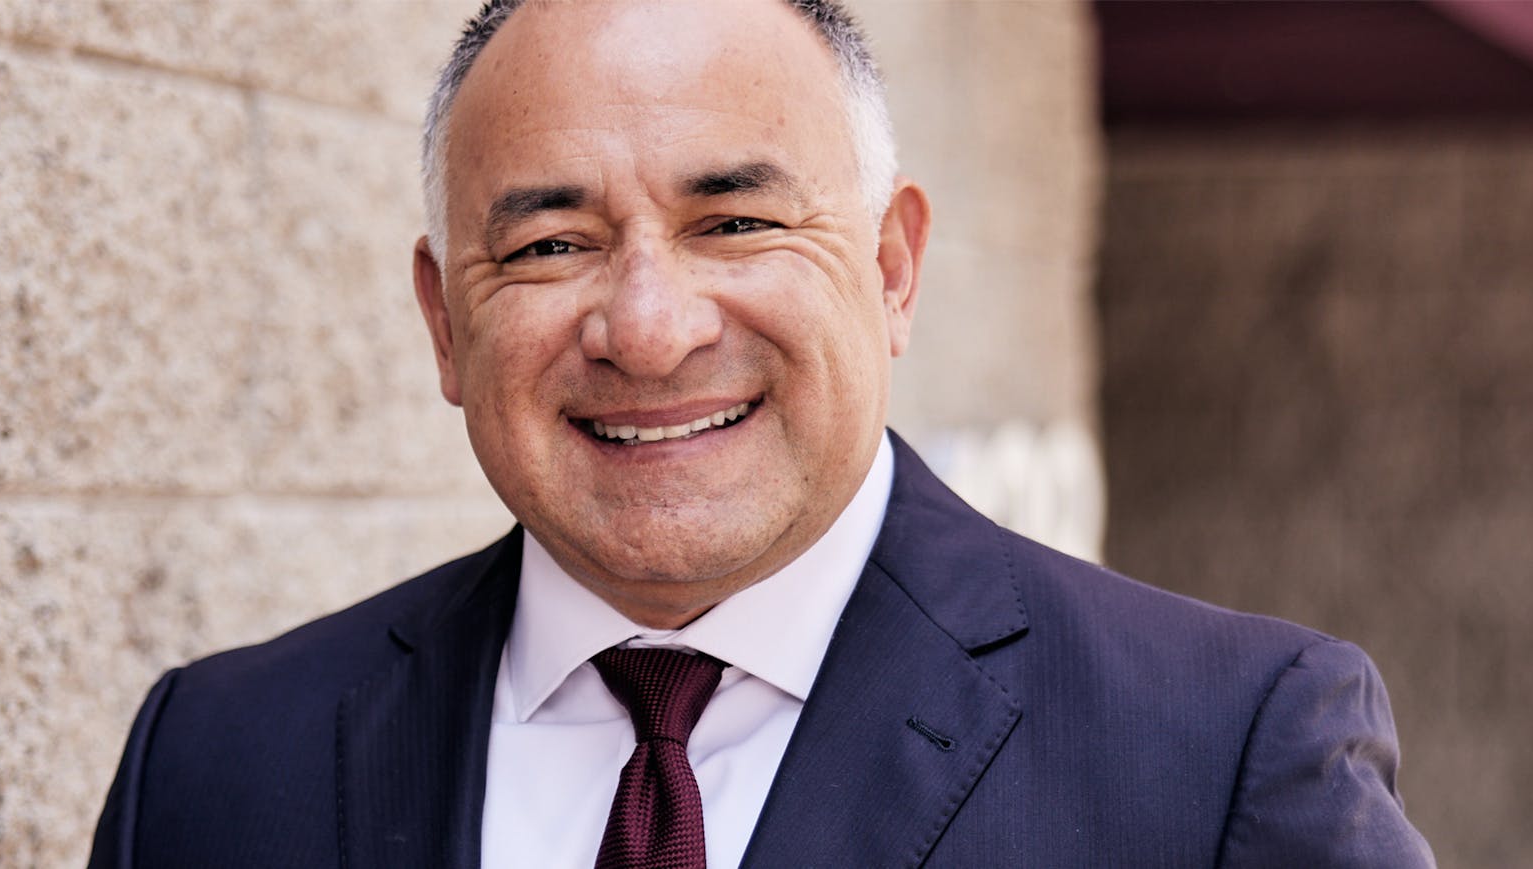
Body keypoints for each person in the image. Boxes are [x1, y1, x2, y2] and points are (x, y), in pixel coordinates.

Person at [87, 0, 1434, 866]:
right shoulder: (215, 767)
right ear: (446, 323)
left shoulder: (1218, 760)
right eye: (552, 242)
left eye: (734, 222)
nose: (650, 325)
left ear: (893, 267)